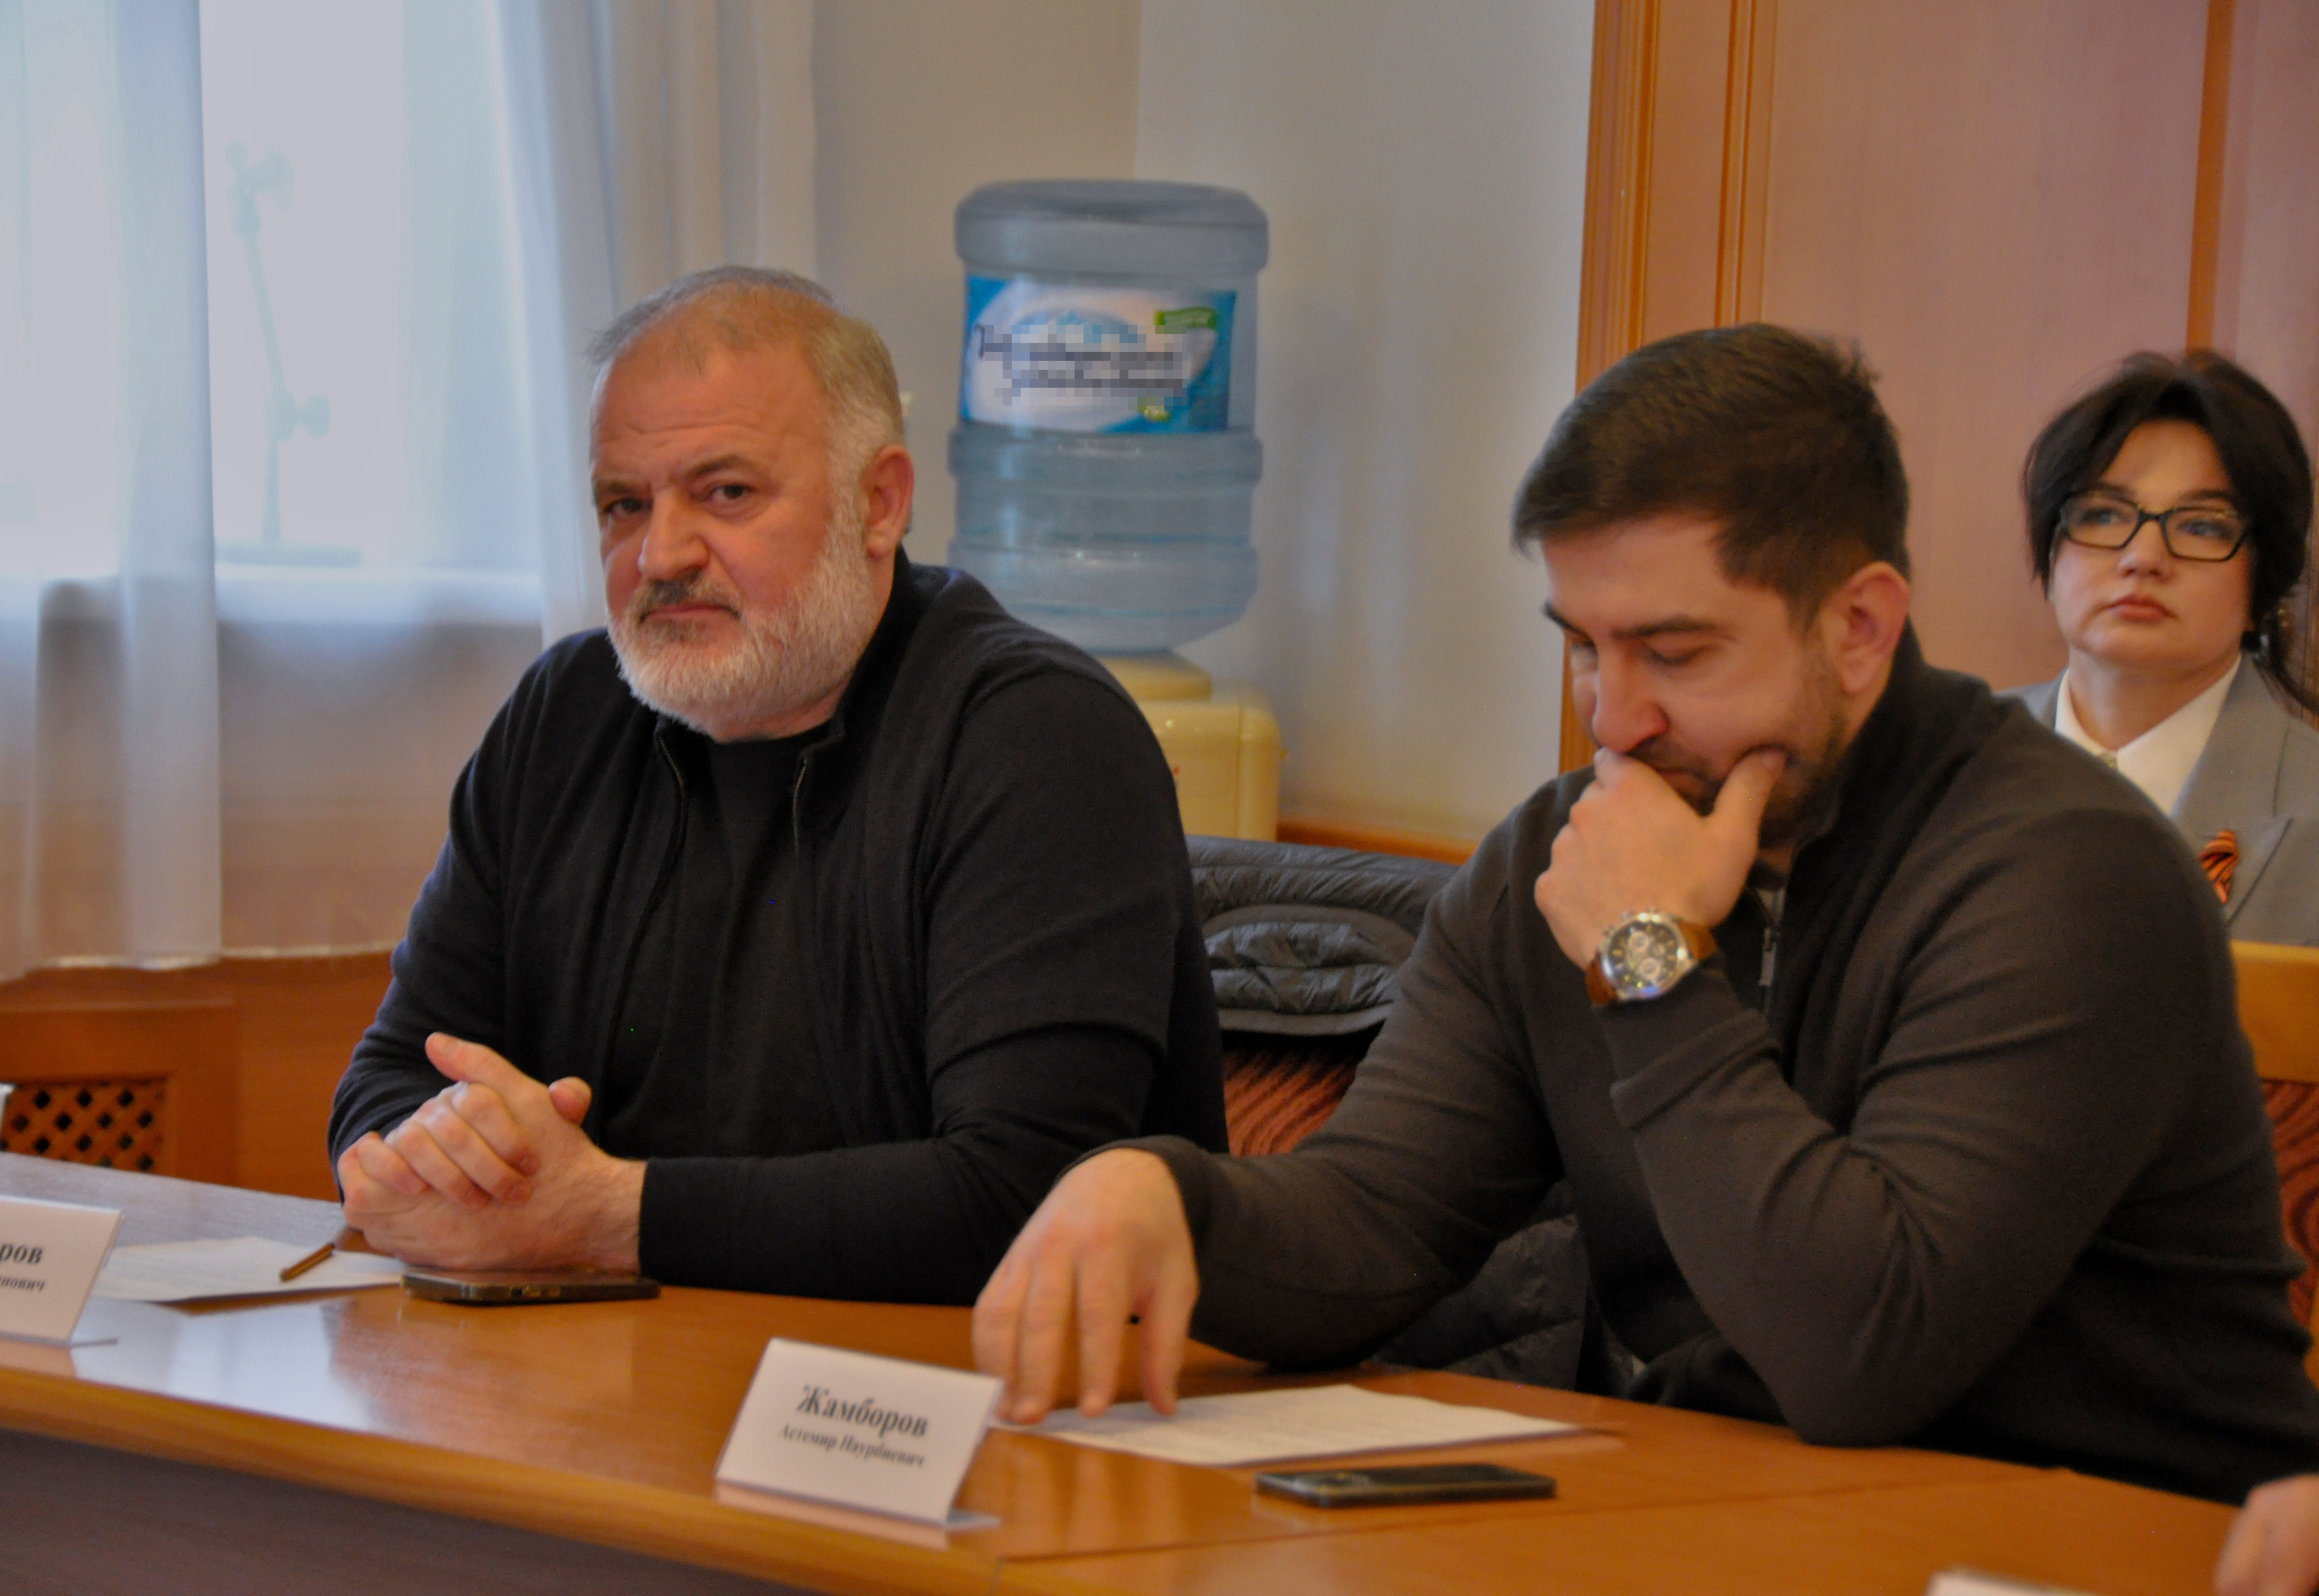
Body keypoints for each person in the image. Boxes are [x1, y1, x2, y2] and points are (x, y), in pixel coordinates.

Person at [974, 323, 2319, 1504]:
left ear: (1858, 627)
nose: (1611, 719)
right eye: (1582, 644)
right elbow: (1376, 1219)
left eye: (1673, 652)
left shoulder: (2070, 871)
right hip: (1741, 1516)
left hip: (2111, 1540)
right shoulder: (1558, 851)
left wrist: (1648, 958)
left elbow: (1858, 1352)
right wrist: (1166, 1197)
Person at [327, 267, 1226, 1303]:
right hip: (619, 1364)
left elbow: (1026, 1195)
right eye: (624, 505)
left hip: (952, 1383)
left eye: (727, 493)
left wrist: (606, 1212)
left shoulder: (1037, 735)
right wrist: (429, 1157)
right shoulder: (565, 713)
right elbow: (388, 1081)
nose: (660, 555)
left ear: (878, 504)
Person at [2010, 351, 2319, 944]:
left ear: (2263, 584)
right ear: (2050, 552)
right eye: (2104, 514)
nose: (2143, 557)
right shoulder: (1936, 774)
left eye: (2202, 525)